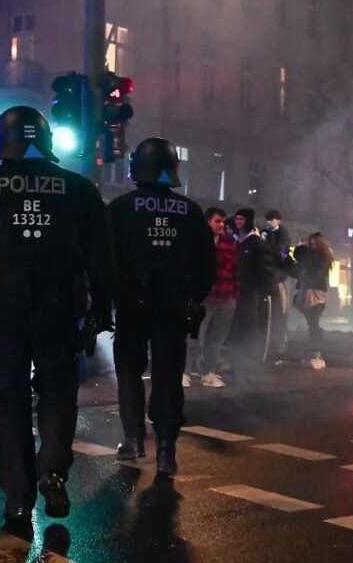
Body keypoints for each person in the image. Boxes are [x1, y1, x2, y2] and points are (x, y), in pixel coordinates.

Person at [0, 106, 113, 521]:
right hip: (60, 302)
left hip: (5, 303)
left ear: (0, 141)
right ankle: (53, 470)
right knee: (57, 392)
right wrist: (101, 310)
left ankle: (18, 494)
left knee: (9, 397)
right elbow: (102, 257)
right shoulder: (78, 188)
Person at [107, 137, 213, 475]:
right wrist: (193, 299)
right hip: (173, 307)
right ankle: (166, 449)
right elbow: (205, 265)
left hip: (132, 304)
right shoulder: (191, 211)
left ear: (137, 168)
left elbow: (103, 259)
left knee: (128, 370)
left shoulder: (120, 209)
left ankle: (133, 438)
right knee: (168, 376)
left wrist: (104, 299)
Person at [187, 207, 236, 388]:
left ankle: (209, 372)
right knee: (194, 338)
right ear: (208, 221)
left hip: (224, 295)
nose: (221, 225)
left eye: (223, 221)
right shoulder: (197, 241)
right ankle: (185, 371)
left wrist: (233, 292)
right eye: (217, 221)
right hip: (203, 296)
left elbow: (234, 268)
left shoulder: (228, 242)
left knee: (216, 339)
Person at [231, 208, 276, 361]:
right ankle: (237, 360)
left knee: (250, 325)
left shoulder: (257, 243)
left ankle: (251, 359)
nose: (238, 222)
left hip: (250, 292)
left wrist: (261, 290)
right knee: (237, 325)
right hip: (237, 290)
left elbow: (265, 268)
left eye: (241, 219)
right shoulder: (236, 241)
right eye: (237, 218)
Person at [287, 233, 333, 365]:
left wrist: (301, 254)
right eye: (310, 244)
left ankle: (317, 349)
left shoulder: (322, 257)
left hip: (316, 291)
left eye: (314, 244)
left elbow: (318, 272)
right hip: (307, 290)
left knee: (313, 321)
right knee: (312, 321)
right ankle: (316, 349)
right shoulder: (316, 257)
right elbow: (297, 267)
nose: (312, 247)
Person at [262, 210, 291, 356]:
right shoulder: (264, 233)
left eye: (272, 219)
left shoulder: (283, 235)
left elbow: (282, 255)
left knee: (279, 313)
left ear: (278, 221)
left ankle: (279, 346)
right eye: (268, 219)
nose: (269, 222)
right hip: (266, 279)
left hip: (278, 280)